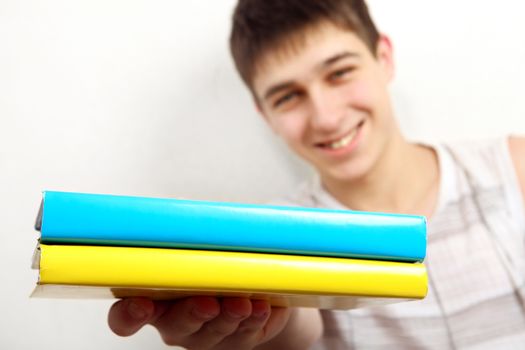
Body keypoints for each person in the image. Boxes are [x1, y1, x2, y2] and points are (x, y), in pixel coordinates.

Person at [107, 0, 525, 348]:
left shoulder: (513, 168)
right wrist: (259, 324)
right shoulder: (279, 235)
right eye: (288, 96)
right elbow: (293, 323)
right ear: (265, 115)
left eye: (340, 72)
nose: (325, 118)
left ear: (384, 58)